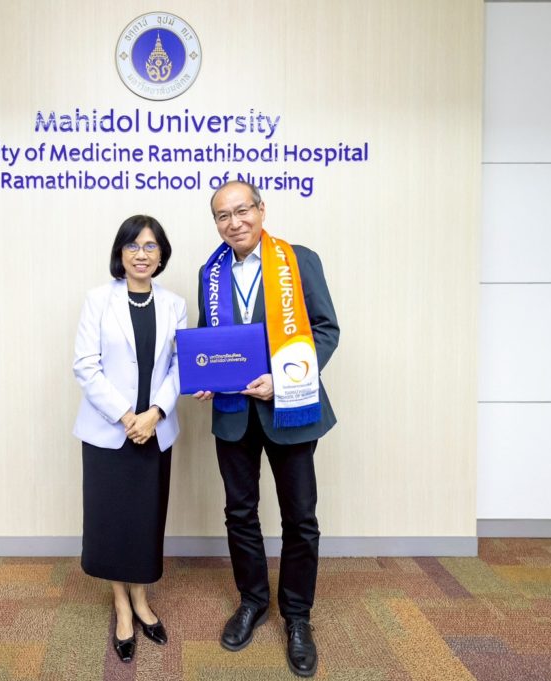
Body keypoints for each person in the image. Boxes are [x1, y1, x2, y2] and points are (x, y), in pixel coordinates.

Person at [194, 181, 339, 678]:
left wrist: (284, 378)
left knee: (300, 517)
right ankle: (253, 601)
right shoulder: (210, 273)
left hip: (289, 408)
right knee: (240, 513)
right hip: (234, 413)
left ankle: (297, 616)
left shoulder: (298, 259)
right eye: (223, 216)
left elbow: (325, 329)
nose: (234, 222)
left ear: (261, 210)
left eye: (242, 211)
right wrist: (204, 373)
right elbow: (209, 339)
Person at [72, 215, 187, 663]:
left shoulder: (174, 305)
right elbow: (86, 365)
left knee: (145, 519)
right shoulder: (98, 300)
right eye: (133, 246)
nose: (142, 254)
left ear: (161, 255)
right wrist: (126, 417)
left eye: (151, 246)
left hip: (154, 431)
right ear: (120, 254)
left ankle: (141, 597)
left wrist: (154, 414)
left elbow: (180, 366)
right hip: (109, 431)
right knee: (112, 519)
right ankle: (122, 604)